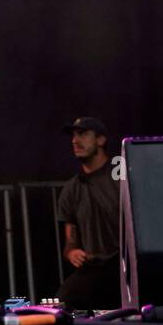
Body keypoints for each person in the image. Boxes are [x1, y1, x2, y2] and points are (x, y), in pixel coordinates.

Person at [57, 116, 122, 310]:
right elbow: (70, 243)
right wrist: (72, 252)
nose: (75, 141)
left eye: (83, 134)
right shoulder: (71, 189)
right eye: (74, 136)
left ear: (101, 140)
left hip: (127, 264)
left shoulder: (121, 174)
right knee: (62, 304)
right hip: (96, 267)